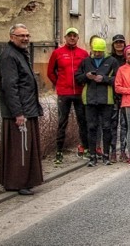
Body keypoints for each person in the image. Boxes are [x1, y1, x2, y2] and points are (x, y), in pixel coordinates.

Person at [0, 24, 44, 195]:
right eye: (21, 36)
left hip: (28, 107)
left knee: (27, 146)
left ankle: (27, 180)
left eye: (27, 35)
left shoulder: (20, 53)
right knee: (20, 147)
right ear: (12, 37)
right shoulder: (9, 56)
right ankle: (18, 182)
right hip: (19, 111)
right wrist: (18, 112)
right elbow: (10, 86)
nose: (25, 38)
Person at [47, 27, 89, 164]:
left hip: (79, 92)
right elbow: (50, 72)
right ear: (65, 37)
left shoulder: (83, 53)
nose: (72, 38)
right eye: (69, 35)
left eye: (74, 35)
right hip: (64, 93)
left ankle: (85, 148)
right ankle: (59, 152)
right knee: (62, 122)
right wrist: (58, 84)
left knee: (82, 121)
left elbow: (87, 70)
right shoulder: (57, 53)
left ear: (78, 38)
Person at [75, 37, 119, 167]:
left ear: (104, 50)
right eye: (95, 51)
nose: (97, 54)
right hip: (90, 99)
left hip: (106, 99)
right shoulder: (86, 61)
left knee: (106, 127)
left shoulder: (112, 61)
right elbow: (77, 78)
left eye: (100, 51)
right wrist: (86, 76)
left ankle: (106, 155)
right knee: (91, 127)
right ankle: (92, 156)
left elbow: (118, 79)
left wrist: (104, 78)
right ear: (92, 50)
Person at [109, 34, 128, 162]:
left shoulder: (128, 59)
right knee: (113, 124)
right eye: (117, 42)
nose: (119, 44)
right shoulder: (109, 59)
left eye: (121, 42)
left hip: (126, 96)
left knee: (124, 125)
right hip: (113, 96)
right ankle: (112, 151)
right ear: (113, 44)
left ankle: (123, 151)